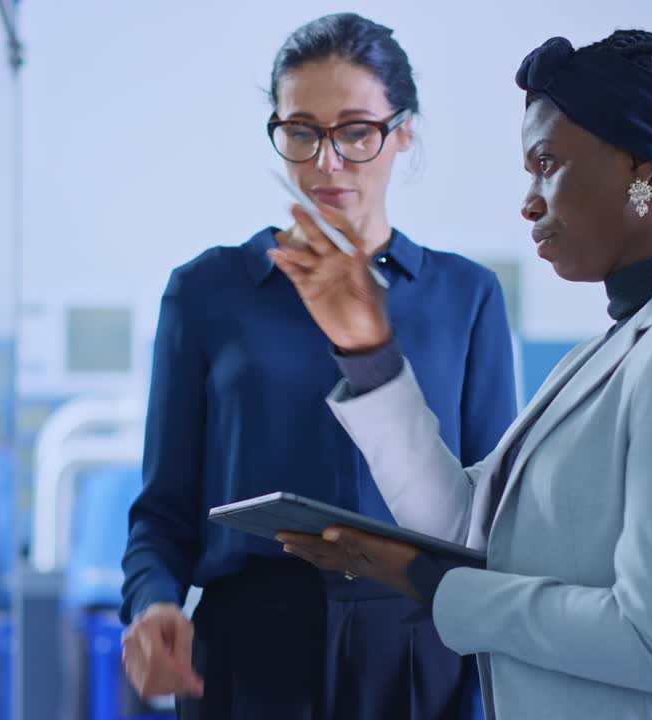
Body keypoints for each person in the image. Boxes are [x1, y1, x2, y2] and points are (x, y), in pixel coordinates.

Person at [272, 29, 652, 719]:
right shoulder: (607, 353)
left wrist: (429, 582)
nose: (529, 201)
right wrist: (369, 352)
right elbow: (462, 521)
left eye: (546, 163)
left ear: (640, 166)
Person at [118, 12, 517, 720]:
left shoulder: (466, 296)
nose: (327, 163)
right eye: (302, 131)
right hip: (249, 651)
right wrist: (151, 605)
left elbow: (497, 524)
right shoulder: (208, 292)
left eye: (356, 132)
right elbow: (162, 511)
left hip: (420, 650)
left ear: (404, 133)